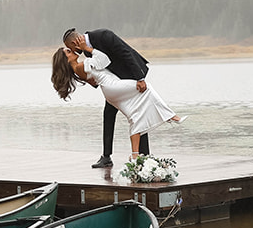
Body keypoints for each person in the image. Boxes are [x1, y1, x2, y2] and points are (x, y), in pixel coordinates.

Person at [51, 41, 184, 165]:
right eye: (68, 51)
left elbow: (94, 79)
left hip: (110, 92)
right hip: (112, 86)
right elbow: (104, 59)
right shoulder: (80, 66)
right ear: (66, 60)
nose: (72, 51)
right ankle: (170, 116)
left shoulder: (79, 69)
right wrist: (87, 48)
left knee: (135, 116)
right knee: (145, 88)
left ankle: (135, 155)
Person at [62, 27, 152, 168]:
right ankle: (108, 157)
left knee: (137, 113)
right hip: (115, 84)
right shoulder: (86, 50)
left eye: (70, 48)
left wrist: (140, 78)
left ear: (74, 42)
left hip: (132, 76)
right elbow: (99, 68)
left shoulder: (104, 35)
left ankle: (142, 155)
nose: (73, 51)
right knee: (111, 114)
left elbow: (126, 53)